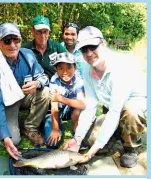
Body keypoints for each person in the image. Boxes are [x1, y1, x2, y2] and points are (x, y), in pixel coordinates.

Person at [64, 26, 147, 168]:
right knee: (91, 139)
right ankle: (118, 132)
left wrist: (92, 152)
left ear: (104, 44)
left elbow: (115, 111)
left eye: (92, 47)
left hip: (136, 103)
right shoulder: (87, 69)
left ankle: (130, 147)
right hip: (112, 106)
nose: (89, 53)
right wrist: (77, 139)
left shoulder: (120, 67)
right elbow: (90, 106)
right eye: (84, 49)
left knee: (130, 113)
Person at [0, 22, 51, 160]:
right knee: (13, 140)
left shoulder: (28, 55)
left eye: (16, 40)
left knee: (45, 92)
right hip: (7, 101)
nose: (12, 45)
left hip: (24, 96)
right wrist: (5, 136)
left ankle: (30, 127)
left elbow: (43, 77)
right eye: (7, 41)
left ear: (21, 40)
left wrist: (37, 83)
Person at [44, 52, 85, 148]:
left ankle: (77, 132)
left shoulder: (79, 80)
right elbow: (54, 107)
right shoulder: (54, 80)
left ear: (75, 68)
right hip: (59, 110)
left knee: (78, 111)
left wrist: (61, 98)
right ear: (56, 69)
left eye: (69, 67)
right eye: (60, 68)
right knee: (52, 143)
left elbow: (82, 104)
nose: (65, 72)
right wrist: (55, 129)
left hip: (73, 110)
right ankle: (58, 125)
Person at [23, 16, 67, 80]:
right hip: (34, 86)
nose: (43, 36)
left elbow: (70, 65)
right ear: (32, 31)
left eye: (45, 32)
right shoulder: (25, 50)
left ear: (49, 32)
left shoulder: (57, 47)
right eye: (39, 32)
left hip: (55, 85)